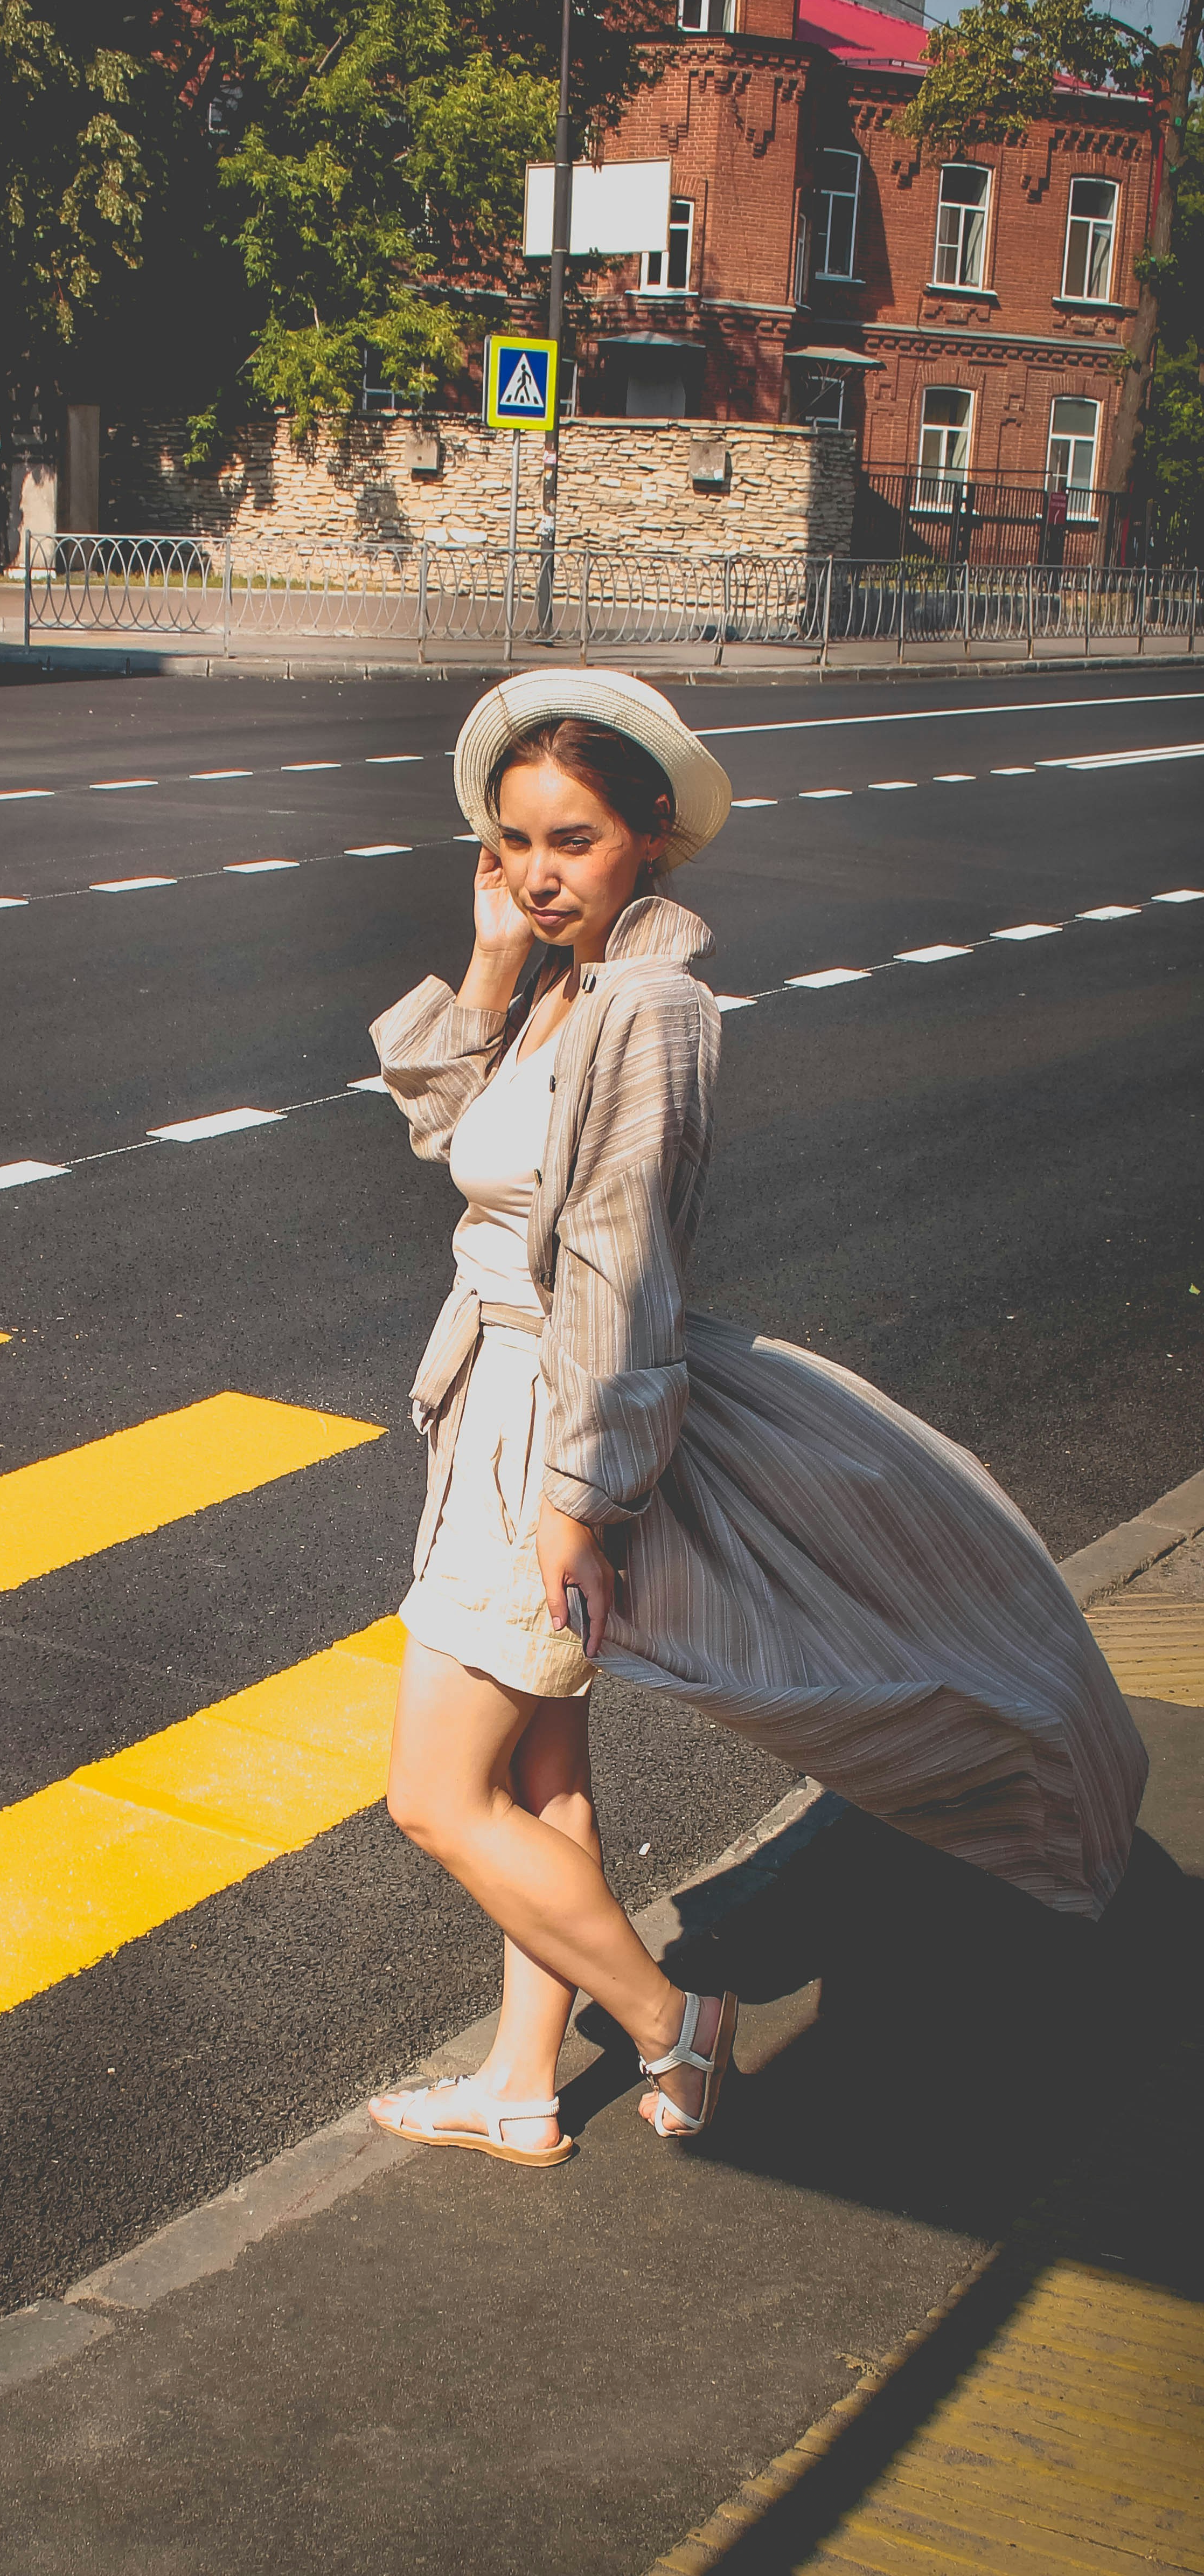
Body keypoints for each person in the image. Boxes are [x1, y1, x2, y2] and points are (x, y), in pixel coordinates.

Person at [365, 668, 1147, 2167]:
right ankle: (525, 2086)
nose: (538, 870)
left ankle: (675, 2026)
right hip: (501, 1412)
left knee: (435, 1797)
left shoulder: (649, 1007)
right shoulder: (554, 984)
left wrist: (579, 1507)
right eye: (515, 841)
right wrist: (480, 971)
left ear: (651, 839)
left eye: (574, 840)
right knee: (544, 1780)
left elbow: (623, 1260)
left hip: (546, 1437)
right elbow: (445, 1137)